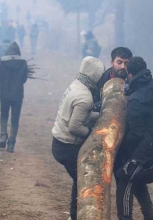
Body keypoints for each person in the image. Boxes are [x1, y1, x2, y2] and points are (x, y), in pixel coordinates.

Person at [114, 57, 153, 220]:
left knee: (125, 179)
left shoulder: (136, 99)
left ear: (130, 75)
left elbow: (136, 133)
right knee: (136, 180)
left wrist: (121, 150)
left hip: (147, 148)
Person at [52, 56, 105, 220]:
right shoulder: (85, 97)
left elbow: (80, 115)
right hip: (67, 146)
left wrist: (99, 116)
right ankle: (75, 216)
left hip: (58, 141)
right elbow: (75, 127)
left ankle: (74, 215)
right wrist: (92, 134)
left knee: (79, 179)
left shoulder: (76, 85)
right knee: (83, 180)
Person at [0, 42, 28, 153]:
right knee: (15, 118)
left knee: (4, 115)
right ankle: (12, 143)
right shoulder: (23, 62)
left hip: (4, 93)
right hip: (18, 95)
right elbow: (24, 79)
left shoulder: (2, 61)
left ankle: (3, 135)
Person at [93, 47, 132, 112]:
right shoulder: (102, 79)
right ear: (112, 63)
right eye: (119, 62)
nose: (122, 67)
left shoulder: (134, 80)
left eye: (126, 63)